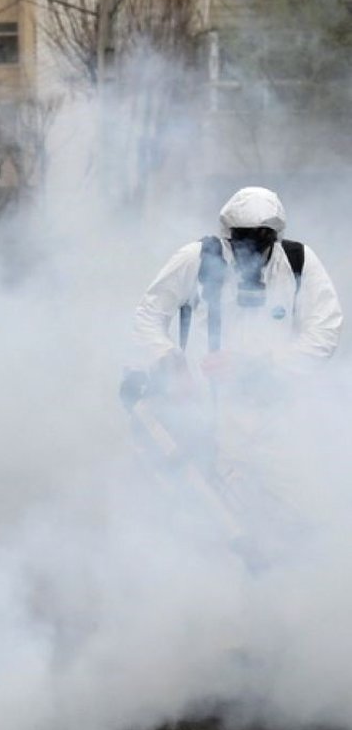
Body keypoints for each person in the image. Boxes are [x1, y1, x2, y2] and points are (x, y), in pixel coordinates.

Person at [132, 185, 341, 509]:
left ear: (275, 236)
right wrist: (169, 361)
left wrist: (263, 366)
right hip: (204, 415)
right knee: (205, 518)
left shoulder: (298, 262)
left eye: (261, 239)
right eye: (243, 239)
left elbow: (325, 332)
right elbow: (148, 315)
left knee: (294, 513)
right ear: (228, 233)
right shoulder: (198, 259)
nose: (251, 250)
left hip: (275, 419)